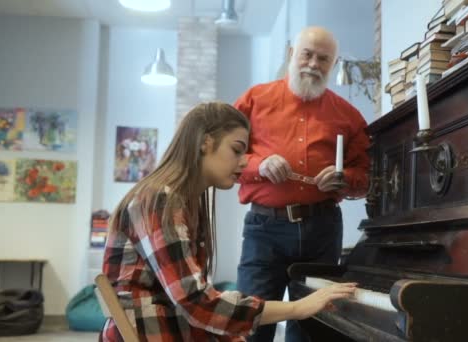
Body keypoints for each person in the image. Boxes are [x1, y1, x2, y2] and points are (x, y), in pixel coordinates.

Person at [100, 102, 356, 342]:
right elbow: (196, 302)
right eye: (236, 149)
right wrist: (298, 308)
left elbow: (196, 302)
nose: (244, 161)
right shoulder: (159, 199)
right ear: (205, 142)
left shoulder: (181, 201)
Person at [234, 26, 370, 341]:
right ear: (291, 54)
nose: (312, 64)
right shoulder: (254, 100)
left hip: (321, 231)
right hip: (263, 229)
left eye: (323, 59)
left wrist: (344, 179)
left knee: (312, 329)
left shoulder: (349, 116)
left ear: (333, 66)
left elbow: (365, 177)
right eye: (306, 54)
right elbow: (226, 157)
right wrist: (260, 165)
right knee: (250, 322)